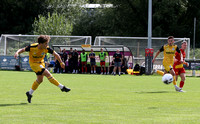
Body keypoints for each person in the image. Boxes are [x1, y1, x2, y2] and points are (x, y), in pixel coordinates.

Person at [14, 35, 71, 103]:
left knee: (40, 80)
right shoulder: (32, 47)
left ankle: (29, 93)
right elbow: (22, 50)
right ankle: (62, 87)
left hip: (41, 63)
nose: (47, 45)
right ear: (40, 43)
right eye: (45, 43)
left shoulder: (46, 48)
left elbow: (56, 54)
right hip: (34, 64)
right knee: (47, 73)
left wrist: (61, 63)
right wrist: (17, 53)